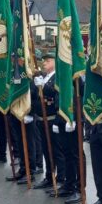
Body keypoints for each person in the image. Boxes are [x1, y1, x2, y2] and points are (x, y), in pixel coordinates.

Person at [32, 52, 62, 188]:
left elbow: (56, 93)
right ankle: (49, 176)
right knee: (46, 149)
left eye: (48, 61)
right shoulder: (44, 77)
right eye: (44, 61)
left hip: (52, 119)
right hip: (42, 119)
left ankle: (60, 178)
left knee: (56, 150)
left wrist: (43, 87)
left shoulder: (57, 76)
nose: (44, 63)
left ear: (55, 62)